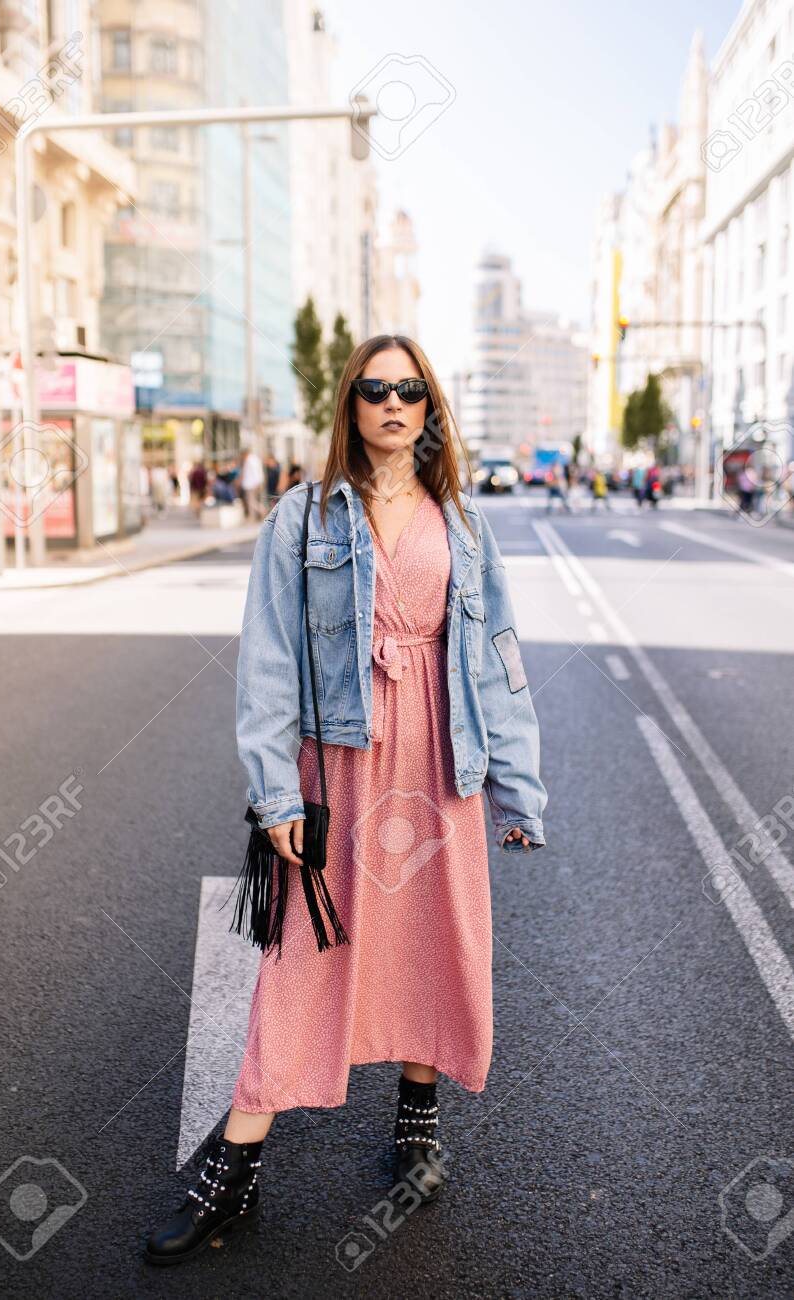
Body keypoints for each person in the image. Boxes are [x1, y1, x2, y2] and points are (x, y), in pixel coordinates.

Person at [144, 333, 547, 1266]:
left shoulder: (465, 524)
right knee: (304, 959)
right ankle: (234, 1171)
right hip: (344, 769)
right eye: (375, 389)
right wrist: (274, 792)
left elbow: (498, 661)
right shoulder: (304, 518)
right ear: (352, 406)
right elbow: (269, 661)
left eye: (410, 388)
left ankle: (416, 1117)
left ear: (429, 405)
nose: (393, 403)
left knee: (436, 941)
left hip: (439, 768)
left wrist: (518, 790)